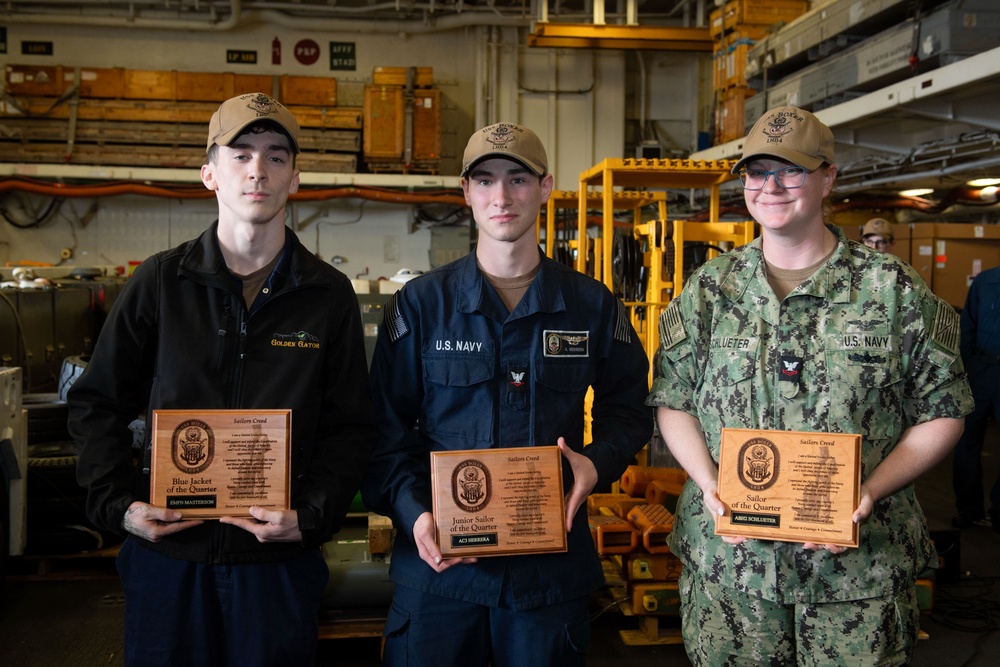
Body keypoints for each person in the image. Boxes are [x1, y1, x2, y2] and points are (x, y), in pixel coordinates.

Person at [646, 106, 973, 665]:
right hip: (735, 574)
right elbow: (672, 402)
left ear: (828, 177)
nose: (770, 187)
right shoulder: (710, 290)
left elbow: (944, 409)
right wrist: (709, 483)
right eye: (757, 172)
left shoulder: (891, 290)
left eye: (790, 170)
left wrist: (871, 491)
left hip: (856, 578)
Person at [67, 92, 377, 667]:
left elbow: (351, 427)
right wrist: (119, 507)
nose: (258, 169)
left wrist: (311, 517)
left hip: (276, 567)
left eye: (276, 156)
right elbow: (96, 404)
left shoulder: (327, 295)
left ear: (296, 178)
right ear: (209, 173)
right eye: (241, 154)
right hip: (169, 561)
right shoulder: (160, 283)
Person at [360, 122, 652, 667]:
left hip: (547, 575)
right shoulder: (421, 306)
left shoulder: (591, 306)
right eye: (486, 180)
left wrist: (595, 464)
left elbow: (630, 410)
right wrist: (415, 515)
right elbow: (383, 430)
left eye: (517, 179)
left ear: (544, 188)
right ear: (466, 192)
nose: (501, 196)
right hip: (440, 572)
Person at [952, 265, 1000, 529]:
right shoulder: (986, 281)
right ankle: (969, 510)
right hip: (980, 371)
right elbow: (967, 326)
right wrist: (967, 367)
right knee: (967, 441)